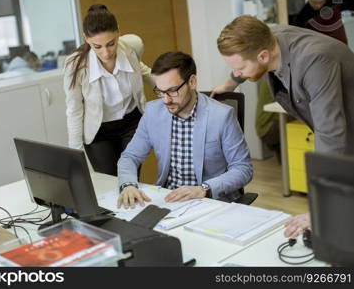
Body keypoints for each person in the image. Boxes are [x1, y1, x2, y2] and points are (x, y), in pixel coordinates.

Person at [212, 15, 354, 237]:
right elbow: (244, 60)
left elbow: (331, 135)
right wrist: (230, 83)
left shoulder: (315, 60)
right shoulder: (267, 38)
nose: (238, 73)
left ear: (263, 56)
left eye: (240, 69)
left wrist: (319, 210)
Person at [117, 51, 253, 209]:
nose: (166, 100)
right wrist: (128, 185)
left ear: (192, 82)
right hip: (168, 201)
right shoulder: (153, 112)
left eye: (173, 91)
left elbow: (243, 169)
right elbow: (130, 156)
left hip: (209, 202)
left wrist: (204, 189)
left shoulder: (221, 115)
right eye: (161, 92)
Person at [63, 4, 154, 176]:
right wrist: (75, 154)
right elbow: (74, 110)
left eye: (111, 44)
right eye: (97, 46)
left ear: (118, 31)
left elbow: (141, 69)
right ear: (86, 39)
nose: (106, 53)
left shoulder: (131, 47)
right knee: (110, 182)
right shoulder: (75, 66)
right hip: (99, 131)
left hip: (132, 123)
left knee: (129, 178)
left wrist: (168, 87)